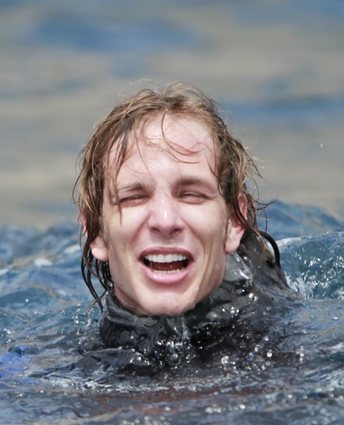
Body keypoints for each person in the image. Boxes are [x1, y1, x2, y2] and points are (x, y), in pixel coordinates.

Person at [74, 82, 294, 372]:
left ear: (234, 223)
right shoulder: (46, 371)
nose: (165, 221)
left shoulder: (290, 360)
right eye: (134, 197)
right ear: (97, 233)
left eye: (191, 194)